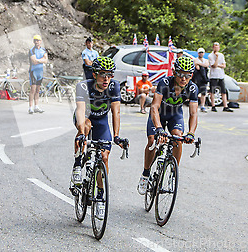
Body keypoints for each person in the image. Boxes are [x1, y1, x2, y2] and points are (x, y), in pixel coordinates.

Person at [71, 56, 128, 218]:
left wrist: (116, 136)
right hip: (86, 118)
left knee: (104, 156)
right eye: (103, 74)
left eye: (110, 74)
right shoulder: (83, 86)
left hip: (102, 121)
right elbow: (80, 111)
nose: (107, 79)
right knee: (86, 127)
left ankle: (101, 197)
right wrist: (82, 133)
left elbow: (116, 112)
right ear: (94, 74)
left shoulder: (114, 86)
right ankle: (77, 163)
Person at [137, 56, 198, 195]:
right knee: (153, 140)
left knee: (178, 138)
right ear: (174, 72)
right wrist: (159, 129)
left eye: (188, 75)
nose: (184, 78)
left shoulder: (192, 88)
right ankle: (145, 174)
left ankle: (173, 171)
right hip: (159, 114)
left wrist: (191, 133)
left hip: (175, 115)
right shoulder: (164, 82)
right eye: (181, 74)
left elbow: (193, 113)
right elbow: (154, 107)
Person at [208, 42, 233, 112]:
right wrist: (217, 58)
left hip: (221, 75)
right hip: (213, 76)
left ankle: (225, 106)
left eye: (217, 47)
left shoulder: (221, 55)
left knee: (223, 91)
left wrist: (219, 64)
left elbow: (224, 65)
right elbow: (214, 65)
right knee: (212, 91)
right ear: (213, 47)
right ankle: (213, 106)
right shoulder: (210, 55)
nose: (216, 48)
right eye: (215, 47)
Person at [28, 34, 48, 114]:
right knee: (32, 90)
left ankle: (36, 106)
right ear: (34, 42)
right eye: (35, 40)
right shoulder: (31, 50)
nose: (37, 42)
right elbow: (34, 61)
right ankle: (30, 107)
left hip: (40, 72)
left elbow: (46, 61)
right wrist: (42, 59)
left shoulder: (43, 50)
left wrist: (39, 60)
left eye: (38, 40)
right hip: (33, 71)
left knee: (37, 90)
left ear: (40, 41)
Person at [192, 48, 209, 113]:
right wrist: (202, 65)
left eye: (202, 52)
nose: (201, 54)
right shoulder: (195, 59)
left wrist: (200, 64)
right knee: (196, 92)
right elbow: (197, 67)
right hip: (197, 78)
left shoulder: (205, 60)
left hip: (204, 78)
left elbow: (207, 65)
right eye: (200, 52)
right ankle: (195, 105)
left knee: (203, 93)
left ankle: (202, 105)